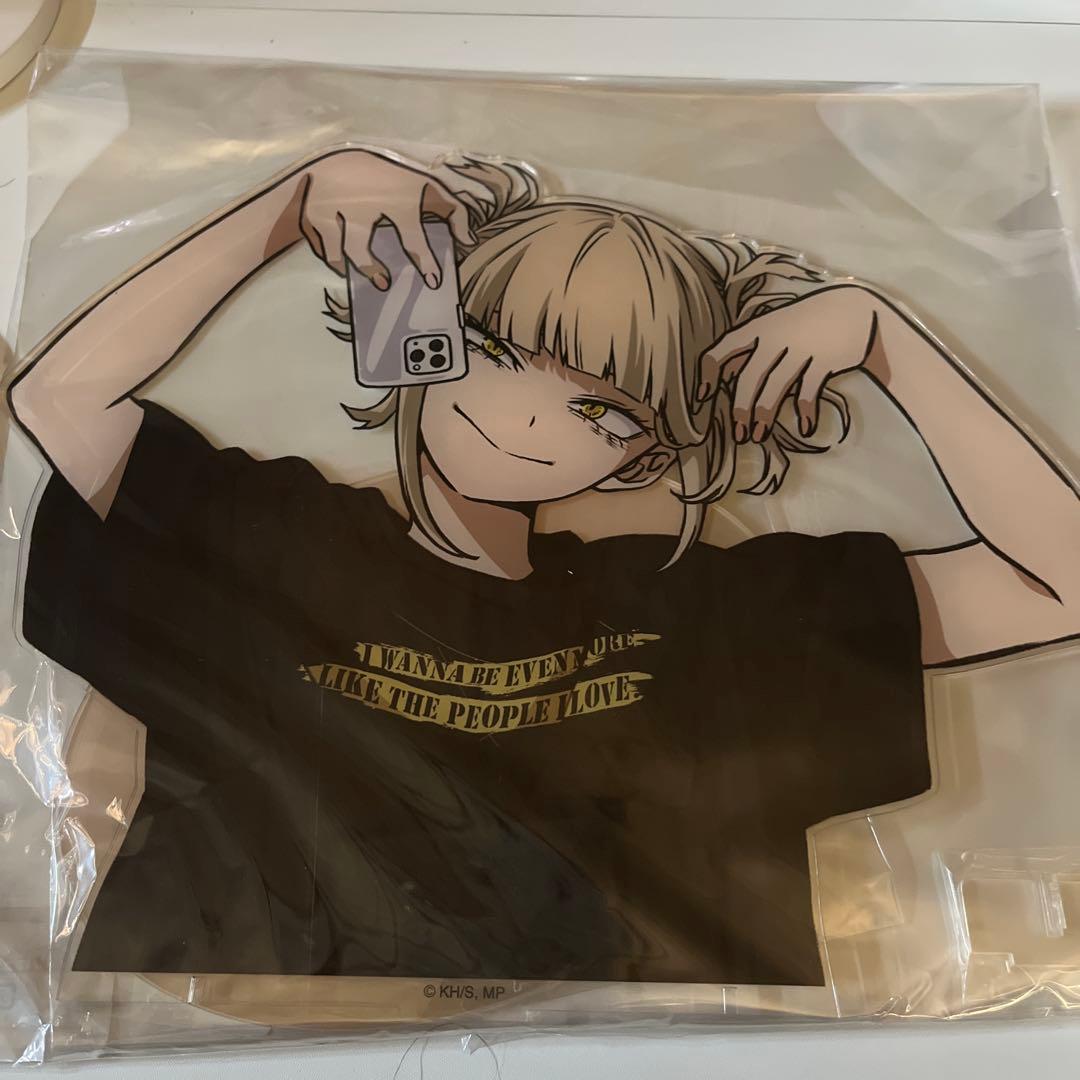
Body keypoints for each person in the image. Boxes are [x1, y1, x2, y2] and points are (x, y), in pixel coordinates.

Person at [9, 147, 1079, 987]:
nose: (525, 414)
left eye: (600, 408)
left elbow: (1058, 580)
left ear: (647, 452)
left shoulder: (716, 613)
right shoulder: (273, 542)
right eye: (493, 349)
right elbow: (60, 398)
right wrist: (290, 204)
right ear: (419, 334)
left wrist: (887, 340)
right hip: (238, 1045)